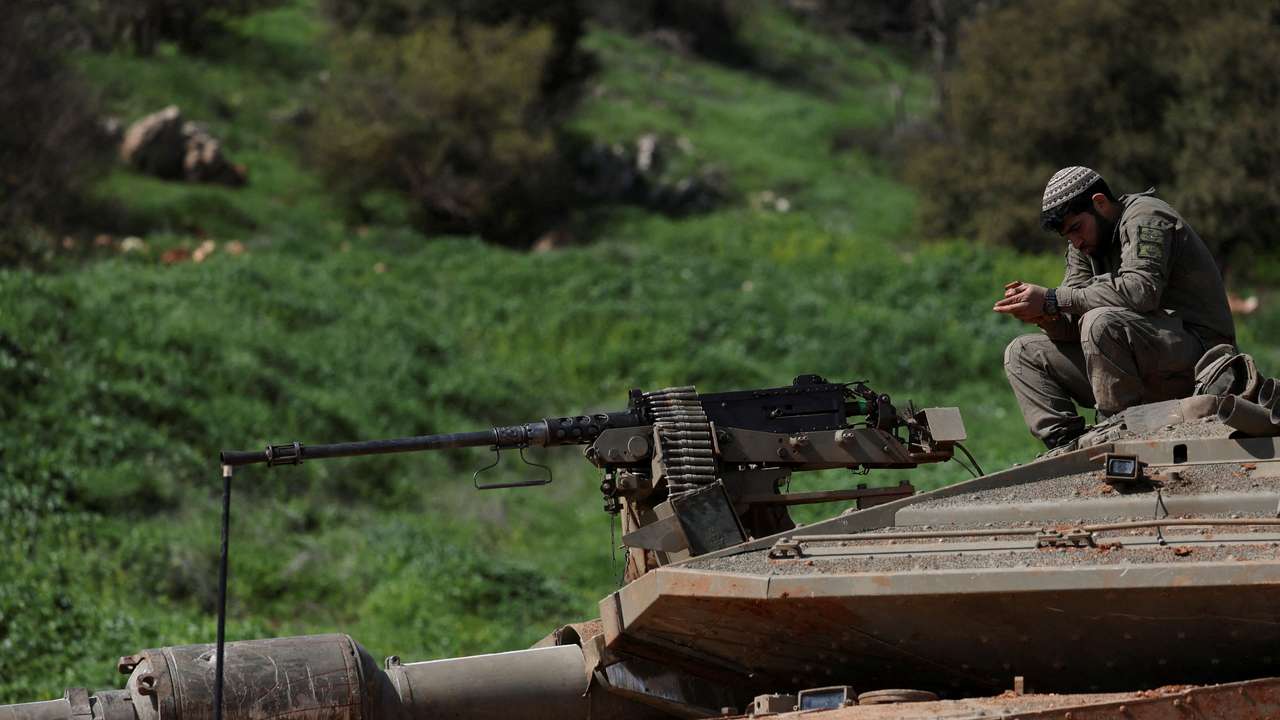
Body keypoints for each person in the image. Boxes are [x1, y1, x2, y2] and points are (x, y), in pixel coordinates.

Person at [994, 166, 1235, 449]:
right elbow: (1074, 326)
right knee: (1022, 353)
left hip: (1199, 357)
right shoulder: (1083, 247)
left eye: (1076, 228)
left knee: (1101, 321)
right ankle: (1066, 445)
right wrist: (1044, 315)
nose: (1076, 241)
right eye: (1068, 236)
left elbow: (1141, 291)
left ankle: (1119, 434)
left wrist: (1052, 299)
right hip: (1134, 356)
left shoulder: (1146, 216)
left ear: (1100, 203)